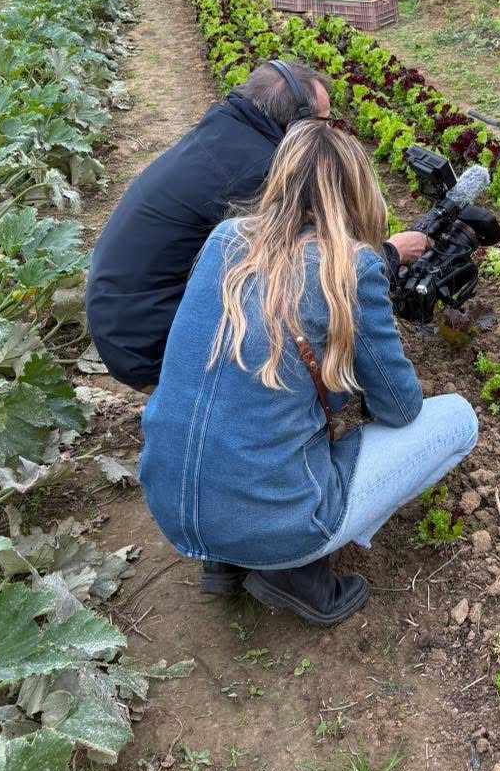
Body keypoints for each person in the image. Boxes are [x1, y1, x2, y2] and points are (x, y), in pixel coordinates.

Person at [138, 121, 479, 623]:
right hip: (274, 523)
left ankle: (225, 560)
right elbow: (399, 407)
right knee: (458, 419)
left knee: (239, 405)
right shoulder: (350, 269)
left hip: (170, 505)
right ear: (358, 193)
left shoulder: (225, 239)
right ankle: (294, 571)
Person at [86, 60, 428, 394]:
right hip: (151, 347)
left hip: (123, 322)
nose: (328, 132)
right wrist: (388, 254)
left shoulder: (227, 129)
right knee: (308, 317)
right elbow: (316, 266)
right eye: (323, 123)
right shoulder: (260, 173)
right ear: (295, 125)